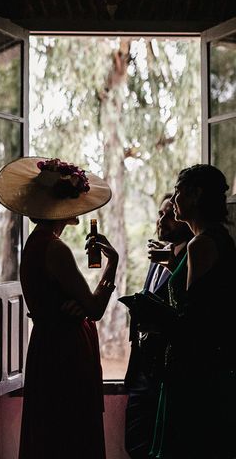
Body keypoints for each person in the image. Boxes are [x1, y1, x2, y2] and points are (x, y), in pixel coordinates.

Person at [0, 157, 118, 459]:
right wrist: (112, 264)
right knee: (69, 432)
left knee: (49, 431)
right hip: (65, 351)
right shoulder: (54, 248)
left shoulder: (34, 244)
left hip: (46, 347)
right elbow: (95, 308)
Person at [150, 164, 236, 459]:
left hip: (193, 370)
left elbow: (193, 321)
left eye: (177, 192)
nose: (173, 200)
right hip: (210, 365)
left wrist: (150, 311)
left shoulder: (201, 245)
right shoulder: (219, 239)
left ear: (196, 195)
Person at [123, 194, 192, 459]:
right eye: (160, 214)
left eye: (169, 215)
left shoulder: (188, 256)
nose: (161, 220)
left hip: (166, 366)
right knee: (135, 440)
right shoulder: (158, 254)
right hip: (143, 364)